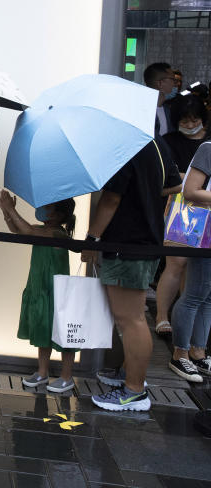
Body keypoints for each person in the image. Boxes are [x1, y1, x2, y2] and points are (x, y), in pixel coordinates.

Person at [82, 138, 180, 411]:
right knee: (131, 317)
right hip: (146, 240)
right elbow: (174, 183)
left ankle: (134, 391)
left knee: (132, 319)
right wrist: (145, 192)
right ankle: (129, 375)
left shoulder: (126, 145)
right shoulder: (156, 142)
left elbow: (111, 198)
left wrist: (92, 238)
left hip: (127, 243)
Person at [0, 192, 77, 392]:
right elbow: (18, 230)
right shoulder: (44, 229)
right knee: (43, 331)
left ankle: (67, 377)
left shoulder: (57, 233)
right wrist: (7, 212)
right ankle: (43, 373)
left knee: (64, 337)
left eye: (49, 207)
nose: (44, 209)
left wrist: (11, 209)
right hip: (40, 288)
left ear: (59, 216)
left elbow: (27, 231)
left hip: (56, 293)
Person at [154, 94, 210, 335]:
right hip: (180, 206)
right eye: (184, 120)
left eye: (194, 119)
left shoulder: (207, 142)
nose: (189, 125)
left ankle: (185, 321)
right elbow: (166, 177)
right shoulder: (168, 141)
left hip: (205, 210)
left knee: (195, 271)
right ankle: (161, 316)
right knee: (176, 263)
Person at [167, 140, 211, 383]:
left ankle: (198, 351)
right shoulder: (208, 148)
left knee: (208, 295)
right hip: (204, 228)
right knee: (196, 293)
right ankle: (180, 353)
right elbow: (190, 190)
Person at [145, 62, 177, 136]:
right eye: (173, 79)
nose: (175, 84)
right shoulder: (143, 111)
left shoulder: (168, 109)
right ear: (160, 83)